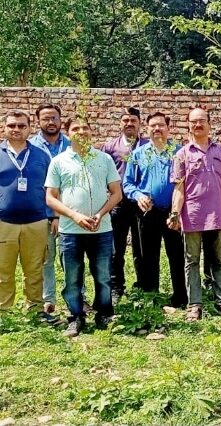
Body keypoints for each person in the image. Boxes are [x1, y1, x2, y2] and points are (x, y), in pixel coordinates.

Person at [45, 114, 123, 337]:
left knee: (103, 276)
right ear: (68, 134)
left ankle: (104, 314)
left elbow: (117, 193)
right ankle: (76, 317)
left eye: (86, 128)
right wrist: (74, 216)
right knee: (72, 278)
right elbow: (51, 198)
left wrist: (100, 214)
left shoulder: (104, 159)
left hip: (102, 229)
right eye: (76, 128)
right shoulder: (59, 161)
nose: (82, 132)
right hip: (71, 230)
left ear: (91, 132)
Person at [168, 107, 221, 321]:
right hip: (193, 215)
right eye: (193, 121)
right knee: (192, 261)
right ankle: (194, 305)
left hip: (218, 215)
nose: (198, 125)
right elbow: (179, 188)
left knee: (218, 260)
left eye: (202, 121)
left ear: (209, 124)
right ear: (188, 125)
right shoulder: (182, 154)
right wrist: (174, 214)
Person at [122, 112, 186, 308]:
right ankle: (151, 296)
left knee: (177, 254)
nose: (157, 129)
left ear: (168, 128)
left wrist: (177, 211)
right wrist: (138, 195)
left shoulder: (179, 152)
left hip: (172, 212)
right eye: (153, 126)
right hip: (147, 212)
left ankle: (181, 297)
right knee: (148, 256)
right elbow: (128, 183)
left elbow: (184, 183)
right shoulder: (137, 154)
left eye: (161, 125)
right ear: (147, 129)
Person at [0, 111, 53, 321]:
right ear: (4, 128)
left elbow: (51, 189)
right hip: (4, 222)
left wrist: (53, 217)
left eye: (22, 126)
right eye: (12, 125)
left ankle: (36, 310)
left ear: (29, 128)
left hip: (37, 221)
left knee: (34, 270)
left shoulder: (41, 155)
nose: (16, 129)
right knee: (3, 270)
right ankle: (3, 313)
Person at [100, 106, 148, 304]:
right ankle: (116, 287)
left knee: (141, 248)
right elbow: (102, 173)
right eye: (125, 121)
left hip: (140, 204)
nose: (129, 124)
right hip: (118, 203)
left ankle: (143, 286)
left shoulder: (147, 146)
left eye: (133, 121)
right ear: (120, 123)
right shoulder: (110, 147)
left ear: (139, 124)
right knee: (115, 249)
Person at [29, 103, 72, 317]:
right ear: (38, 121)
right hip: (41, 214)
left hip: (71, 214)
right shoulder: (30, 147)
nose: (51, 122)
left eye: (54, 118)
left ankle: (76, 297)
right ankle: (48, 300)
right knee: (46, 257)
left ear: (60, 119)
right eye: (46, 118)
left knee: (70, 258)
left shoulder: (72, 145)